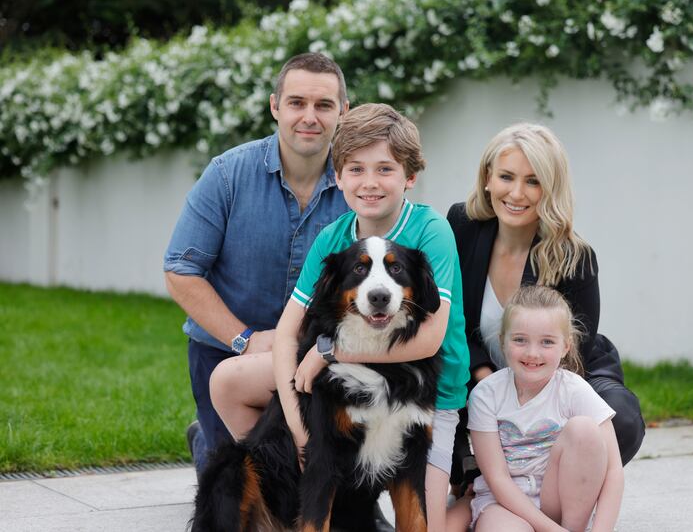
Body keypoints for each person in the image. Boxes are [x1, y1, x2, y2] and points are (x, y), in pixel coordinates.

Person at [219, 102, 469, 531]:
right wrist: (300, 432)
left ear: (409, 177)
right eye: (355, 169)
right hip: (352, 381)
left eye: (385, 170)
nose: (370, 182)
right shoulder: (332, 240)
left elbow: (429, 340)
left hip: (427, 386)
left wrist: (331, 353)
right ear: (337, 177)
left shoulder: (430, 232)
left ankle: (430, 500)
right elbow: (286, 333)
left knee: (433, 524)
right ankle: (285, 486)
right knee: (229, 379)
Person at [163, 52, 350, 475]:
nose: (309, 117)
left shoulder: (359, 182)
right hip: (226, 354)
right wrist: (244, 339)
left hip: (320, 355)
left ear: (344, 111)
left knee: (333, 486)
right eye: (296, 103)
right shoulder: (227, 174)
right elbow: (179, 270)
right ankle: (207, 442)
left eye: (323, 105)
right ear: (274, 106)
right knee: (238, 485)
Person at [446, 123, 645, 489]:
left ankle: (554, 487)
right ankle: (473, 478)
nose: (517, 193)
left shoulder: (575, 257)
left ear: (550, 189)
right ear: (487, 178)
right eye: (506, 177)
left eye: (533, 181)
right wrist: (487, 382)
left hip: (561, 373)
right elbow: (450, 317)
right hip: (479, 372)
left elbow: (572, 355)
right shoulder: (462, 225)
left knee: (622, 420)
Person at [449, 285, 623, 532]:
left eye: (547, 342)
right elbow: (497, 478)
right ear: (502, 341)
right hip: (505, 503)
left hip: (557, 498)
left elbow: (613, 470)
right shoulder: (486, 394)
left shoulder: (573, 389)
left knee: (584, 429)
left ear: (565, 346)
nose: (533, 353)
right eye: (520, 340)